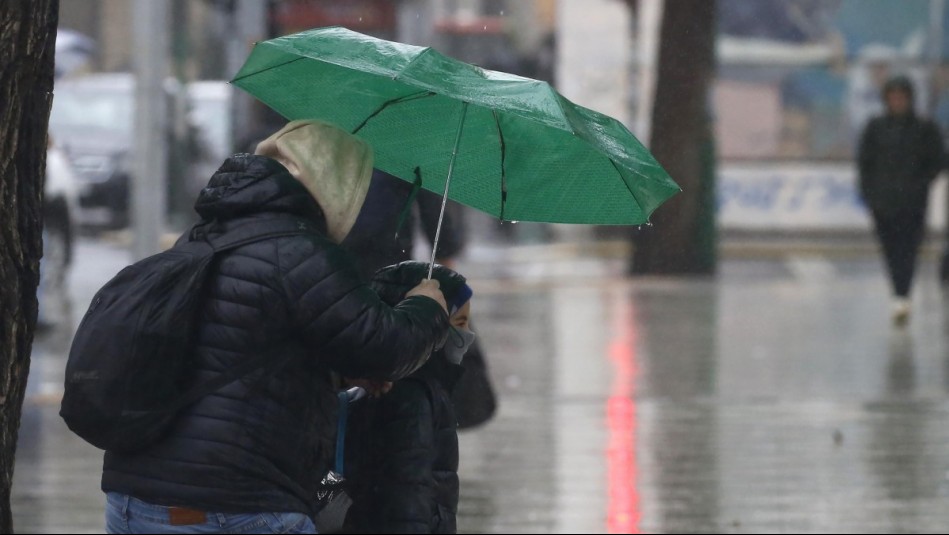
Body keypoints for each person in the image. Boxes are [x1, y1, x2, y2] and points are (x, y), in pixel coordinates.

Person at [103, 120, 451, 534]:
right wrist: (428, 304)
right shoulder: (301, 252)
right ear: (338, 186)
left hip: (135, 501)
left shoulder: (201, 239)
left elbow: (237, 353)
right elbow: (388, 348)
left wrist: (341, 375)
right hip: (236, 505)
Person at [343, 169, 497, 429]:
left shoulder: (344, 143)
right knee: (396, 357)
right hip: (390, 265)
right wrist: (446, 250)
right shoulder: (400, 148)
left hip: (345, 264)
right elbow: (430, 202)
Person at [342, 261, 475, 534]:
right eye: (459, 322)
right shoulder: (414, 396)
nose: (466, 334)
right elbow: (408, 493)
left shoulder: (382, 384)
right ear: (431, 322)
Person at [858, 76, 944, 326]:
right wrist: (868, 192)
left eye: (901, 97)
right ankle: (898, 292)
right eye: (892, 97)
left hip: (913, 202)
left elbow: (937, 160)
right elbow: (865, 162)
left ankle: (902, 295)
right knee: (890, 249)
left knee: (908, 249)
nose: (897, 102)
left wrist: (920, 183)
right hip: (883, 202)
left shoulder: (924, 128)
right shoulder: (875, 128)